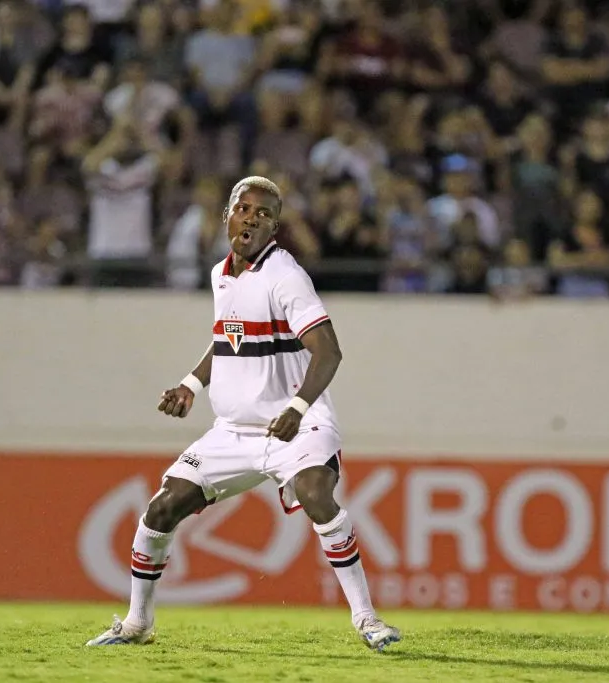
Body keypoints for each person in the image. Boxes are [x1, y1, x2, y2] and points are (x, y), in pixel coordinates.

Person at [85, 175, 402, 652]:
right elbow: (228, 339)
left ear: (275, 227)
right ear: (227, 215)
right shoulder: (221, 274)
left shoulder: (285, 276)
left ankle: (368, 620)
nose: (251, 218)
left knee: (316, 493)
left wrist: (297, 406)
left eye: (264, 213)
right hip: (234, 432)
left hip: (297, 423)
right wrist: (192, 385)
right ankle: (136, 623)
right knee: (161, 508)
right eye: (244, 208)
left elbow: (329, 352)